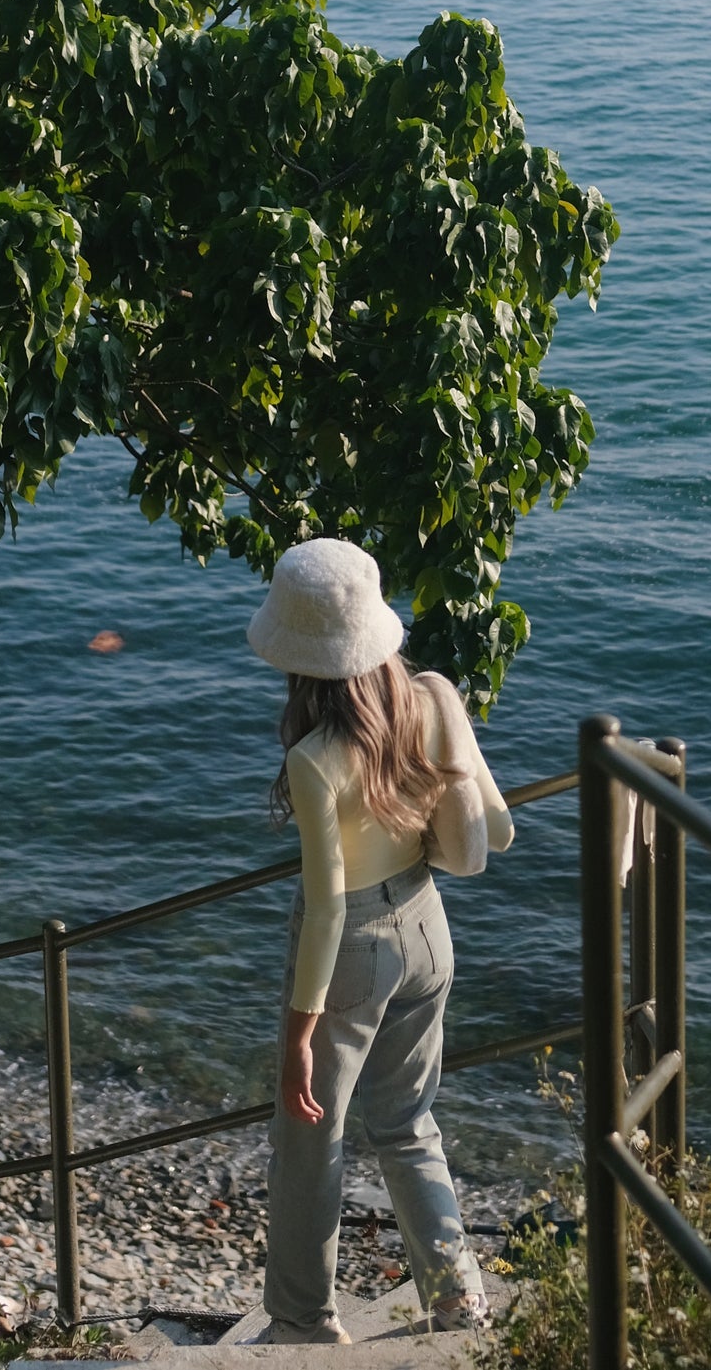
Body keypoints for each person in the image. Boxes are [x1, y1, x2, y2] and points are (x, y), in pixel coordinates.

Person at [247, 537, 514, 1346]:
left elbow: (326, 909)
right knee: (405, 1122)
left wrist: (298, 1032)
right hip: (427, 926)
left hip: (354, 947)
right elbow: (492, 825)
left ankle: (300, 1320)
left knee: (309, 1134)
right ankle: (457, 1298)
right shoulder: (430, 698)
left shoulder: (313, 757)